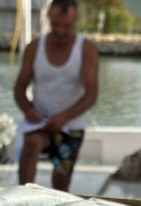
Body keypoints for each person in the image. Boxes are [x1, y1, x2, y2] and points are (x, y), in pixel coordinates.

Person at [14, 0, 99, 191]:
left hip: (71, 125)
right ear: (49, 19)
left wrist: (64, 117)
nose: (60, 30)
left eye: (66, 26)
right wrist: (28, 110)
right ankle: (23, 196)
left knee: (61, 180)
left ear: (75, 21)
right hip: (40, 121)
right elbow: (19, 88)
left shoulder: (86, 50)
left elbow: (91, 94)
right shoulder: (34, 48)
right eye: (55, 25)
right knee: (30, 145)